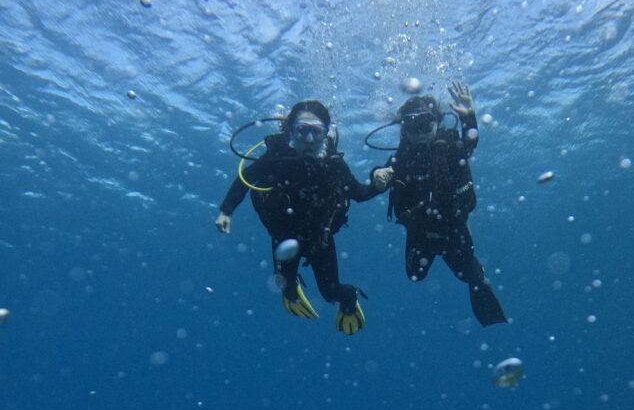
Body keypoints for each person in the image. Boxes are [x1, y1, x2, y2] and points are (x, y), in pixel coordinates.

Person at [216, 100, 392, 335]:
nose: (309, 140)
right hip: (283, 238)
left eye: (316, 132)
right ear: (290, 131)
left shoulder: (334, 165)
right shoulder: (274, 159)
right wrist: (226, 210)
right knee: (284, 286)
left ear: (326, 134)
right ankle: (291, 289)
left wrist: (379, 181)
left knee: (331, 292)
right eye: (302, 130)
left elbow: (358, 193)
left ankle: (349, 298)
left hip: (320, 239)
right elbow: (243, 180)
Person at [375, 82, 506, 327]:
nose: (420, 132)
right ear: (404, 130)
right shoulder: (400, 158)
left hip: (453, 227)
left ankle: (479, 279)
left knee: (469, 276)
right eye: (413, 125)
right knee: (415, 276)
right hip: (420, 230)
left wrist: (469, 118)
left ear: (437, 122)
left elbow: (469, 144)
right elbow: (383, 175)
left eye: (425, 123)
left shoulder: (450, 147)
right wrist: (377, 176)